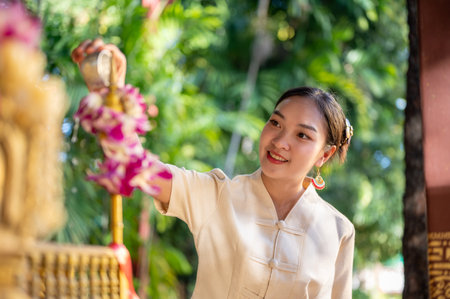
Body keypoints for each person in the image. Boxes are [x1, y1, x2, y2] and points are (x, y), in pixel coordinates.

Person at [72, 39, 355, 299]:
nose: (280, 141)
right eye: (275, 123)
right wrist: (111, 96)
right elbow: (137, 167)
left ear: (325, 154)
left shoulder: (338, 231)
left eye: (302, 135)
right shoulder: (218, 195)